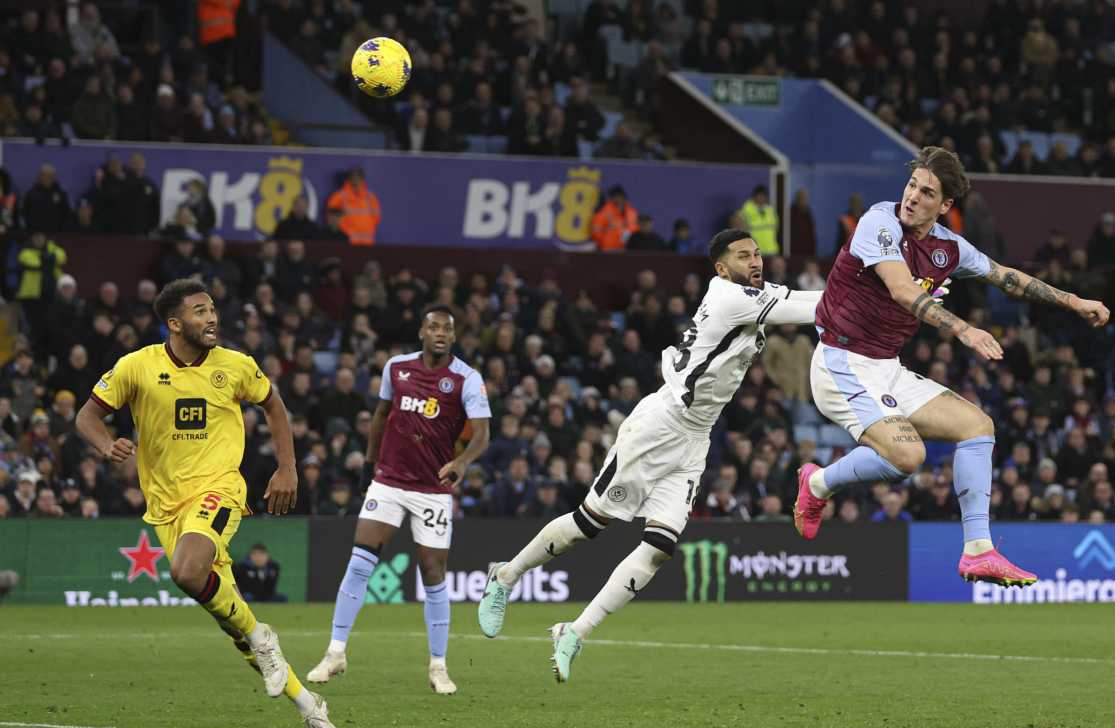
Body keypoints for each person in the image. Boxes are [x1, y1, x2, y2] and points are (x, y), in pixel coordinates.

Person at [478, 229, 822, 682]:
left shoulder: (757, 295)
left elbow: (816, 300)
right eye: (743, 256)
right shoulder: (729, 297)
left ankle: (574, 632)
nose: (755, 261)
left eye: (757, 253)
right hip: (660, 425)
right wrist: (889, 286)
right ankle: (505, 576)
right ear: (721, 269)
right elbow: (816, 305)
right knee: (590, 524)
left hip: (696, 438)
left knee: (660, 548)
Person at [793, 147, 1110, 588]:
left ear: (944, 206)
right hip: (840, 361)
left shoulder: (948, 247)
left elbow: (1005, 275)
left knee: (977, 426)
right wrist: (965, 330)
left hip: (887, 367)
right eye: (911, 186)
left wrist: (1074, 302)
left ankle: (978, 550)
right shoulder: (877, 223)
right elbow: (903, 290)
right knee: (908, 456)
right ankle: (820, 484)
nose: (913, 197)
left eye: (927, 193)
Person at [74, 278, 340, 728]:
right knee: (231, 621)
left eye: (213, 308)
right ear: (175, 323)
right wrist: (104, 444)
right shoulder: (136, 366)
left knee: (186, 570)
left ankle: (263, 639)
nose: (211, 317)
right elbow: (87, 416)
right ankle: (308, 706)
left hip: (219, 488)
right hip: (166, 505)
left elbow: (274, 406)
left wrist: (287, 467)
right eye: (199, 311)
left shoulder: (236, 366)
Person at [307, 305, 491, 695]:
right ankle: (335, 651)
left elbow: (482, 435)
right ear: (422, 333)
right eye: (433, 327)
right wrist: (368, 463)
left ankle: (438, 665)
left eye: (447, 328)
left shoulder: (466, 379)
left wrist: (462, 461)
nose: (439, 333)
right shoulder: (396, 368)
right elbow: (380, 414)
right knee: (360, 562)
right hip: (388, 481)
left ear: (453, 337)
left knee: (433, 574)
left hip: (432, 489)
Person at [740, 185, 779, 256]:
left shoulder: (770, 210)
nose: (761, 198)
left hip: (771, 249)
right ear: (754, 196)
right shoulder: (746, 210)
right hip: (753, 250)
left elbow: (776, 228)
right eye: (759, 196)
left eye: (763, 196)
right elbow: (740, 229)